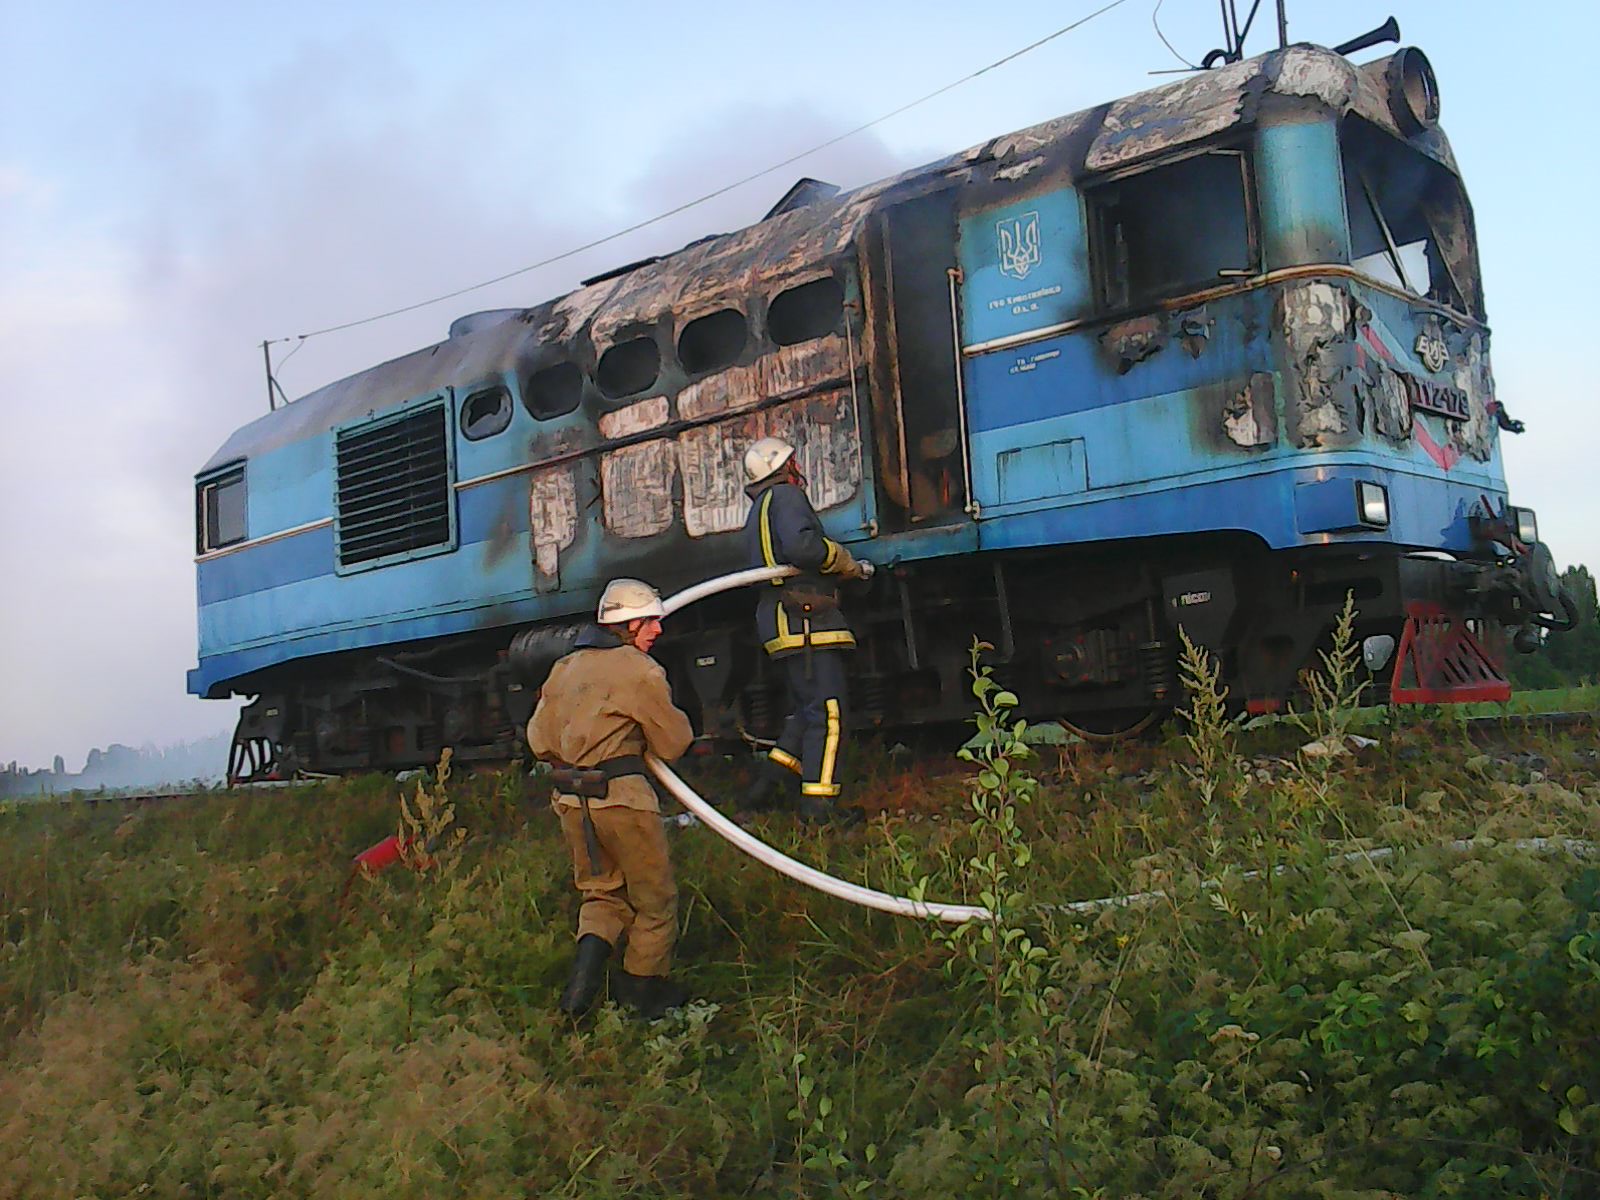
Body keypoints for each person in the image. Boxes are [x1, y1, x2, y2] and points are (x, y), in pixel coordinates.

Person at [527, 577, 695, 1019]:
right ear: (629, 624)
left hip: (571, 803)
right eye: (650, 623)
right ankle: (641, 996)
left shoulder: (563, 669)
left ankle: (576, 1003)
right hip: (623, 801)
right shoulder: (639, 670)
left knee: (600, 896)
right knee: (655, 903)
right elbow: (673, 743)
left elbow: (538, 740)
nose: (658, 631)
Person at [740, 436, 873, 824]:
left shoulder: (759, 509)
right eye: (792, 462)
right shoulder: (786, 496)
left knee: (805, 712)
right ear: (783, 467)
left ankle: (766, 787)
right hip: (807, 621)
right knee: (829, 713)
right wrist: (846, 562)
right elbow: (803, 549)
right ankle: (819, 809)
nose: (798, 468)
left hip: (780, 620)